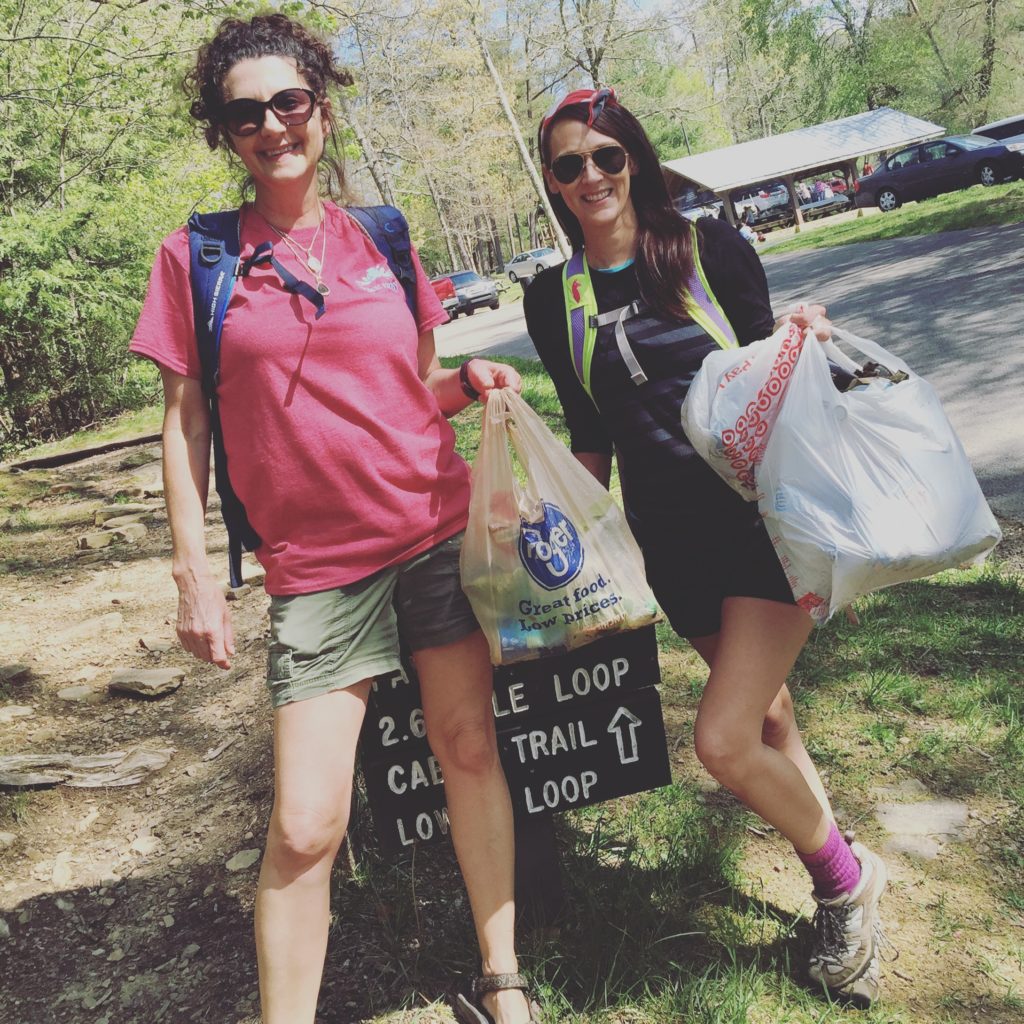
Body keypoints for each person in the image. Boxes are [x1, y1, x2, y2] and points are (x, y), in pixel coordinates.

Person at [129, 14, 538, 1024]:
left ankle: (501, 979)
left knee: (469, 748)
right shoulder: (197, 258)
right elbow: (185, 433)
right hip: (314, 569)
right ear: (222, 131)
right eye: (244, 112)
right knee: (307, 824)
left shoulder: (383, 233)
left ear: (321, 101)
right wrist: (194, 576)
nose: (272, 125)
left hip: (434, 532)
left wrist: (466, 382)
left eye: (289, 101)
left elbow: (411, 386)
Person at [523, 87, 889, 1007]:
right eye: (570, 165)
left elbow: (771, 373)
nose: (592, 176)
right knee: (769, 722)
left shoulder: (703, 249)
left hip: (760, 527)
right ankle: (839, 895)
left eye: (607, 156)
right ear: (556, 185)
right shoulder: (551, 297)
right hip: (669, 544)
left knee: (723, 740)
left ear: (635, 160)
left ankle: (850, 881)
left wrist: (802, 337)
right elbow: (589, 430)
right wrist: (554, 516)